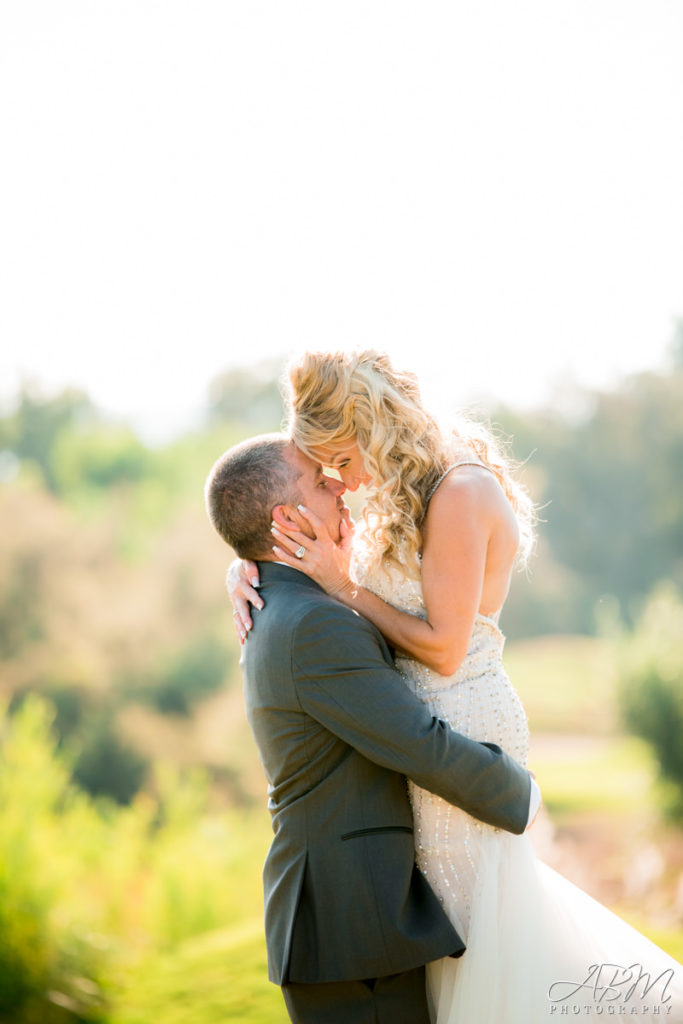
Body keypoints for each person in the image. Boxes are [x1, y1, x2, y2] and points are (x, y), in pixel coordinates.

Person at [229, 350, 682, 1022]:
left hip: (457, 714)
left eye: (342, 464)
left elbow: (441, 647)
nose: (343, 483)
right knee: (440, 938)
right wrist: (250, 565)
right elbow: (283, 522)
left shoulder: (460, 490)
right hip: (415, 721)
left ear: (369, 428)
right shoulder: (395, 486)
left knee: (478, 935)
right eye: (327, 475)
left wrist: (342, 585)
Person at [205, 432, 538, 1024]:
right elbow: (414, 742)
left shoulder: (289, 601)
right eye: (318, 479)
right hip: (350, 930)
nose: (338, 484)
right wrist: (519, 794)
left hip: (348, 926)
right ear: (286, 517)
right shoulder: (312, 623)